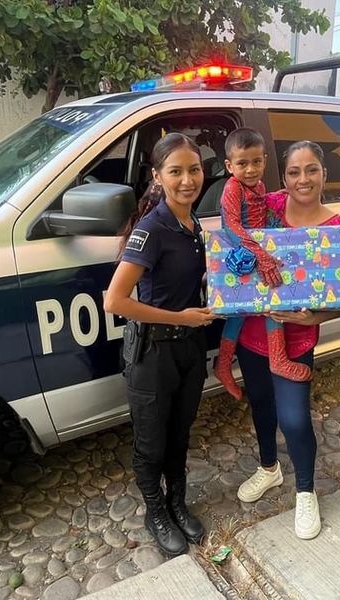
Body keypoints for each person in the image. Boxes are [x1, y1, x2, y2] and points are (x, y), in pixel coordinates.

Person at [103, 133, 216, 556]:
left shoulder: (193, 223)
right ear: (157, 176)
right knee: (151, 442)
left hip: (188, 347)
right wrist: (179, 317)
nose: (188, 180)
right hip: (152, 353)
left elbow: (184, 281)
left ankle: (177, 503)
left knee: (180, 434)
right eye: (176, 171)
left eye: (195, 169)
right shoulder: (152, 229)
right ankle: (155, 512)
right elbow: (115, 301)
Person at [235, 141, 340, 540]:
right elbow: (236, 234)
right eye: (295, 171)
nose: (304, 179)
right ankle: (269, 468)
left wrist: (317, 316)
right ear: (283, 178)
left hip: (297, 341)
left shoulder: (337, 228)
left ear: (324, 174)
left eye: (312, 169)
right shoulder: (269, 206)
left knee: (295, 418)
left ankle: (305, 490)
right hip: (253, 332)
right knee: (261, 406)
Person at [214, 128, 309, 401]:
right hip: (241, 257)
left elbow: (261, 213)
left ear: (265, 160)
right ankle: (263, 361)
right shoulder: (232, 188)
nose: (251, 169)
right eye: (242, 164)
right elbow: (232, 225)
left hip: (255, 255)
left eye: (256, 162)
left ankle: (231, 365)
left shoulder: (258, 186)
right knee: (259, 304)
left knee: (250, 309)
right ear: (229, 166)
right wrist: (261, 255)